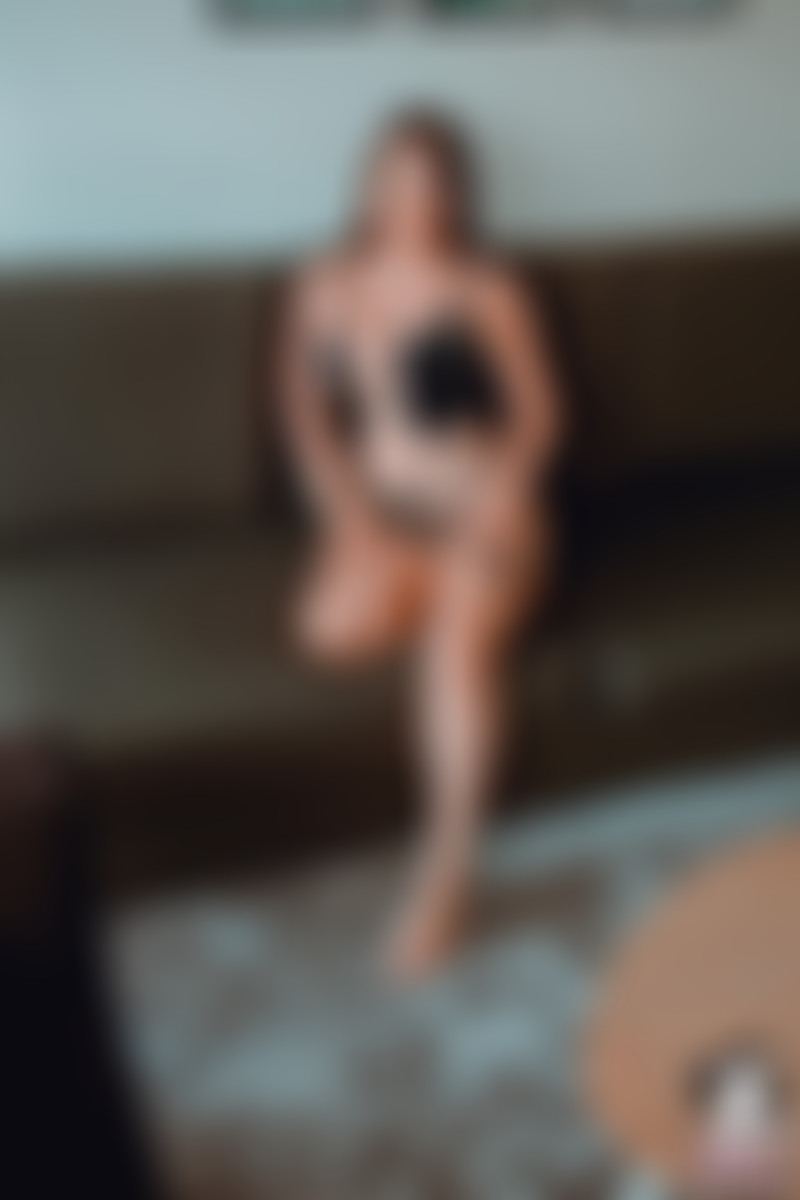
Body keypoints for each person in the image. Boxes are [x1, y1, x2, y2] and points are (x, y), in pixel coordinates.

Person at [279, 110, 562, 980]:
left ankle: (447, 870)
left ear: (457, 193)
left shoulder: (488, 286)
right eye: (397, 179)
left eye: (433, 183)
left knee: (457, 651)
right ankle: (443, 585)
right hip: (388, 511)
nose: (415, 199)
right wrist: (345, 514)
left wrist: (499, 500)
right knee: (327, 630)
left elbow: (542, 415)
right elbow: (304, 414)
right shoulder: (326, 282)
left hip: (483, 503)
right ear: (370, 184)